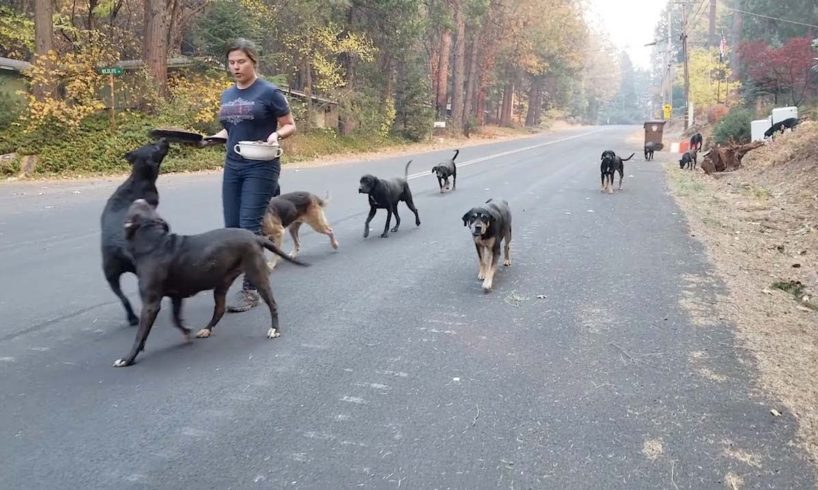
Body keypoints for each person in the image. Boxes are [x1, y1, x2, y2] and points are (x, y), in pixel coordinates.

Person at [206, 38, 296, 312]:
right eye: (231, 62)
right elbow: (229, 131)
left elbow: (290, 124)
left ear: (253, 61)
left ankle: (251, 288)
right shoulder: (227, 95)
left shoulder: (269, 92)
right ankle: (244, 270)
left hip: (262, 165)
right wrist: (210, 138)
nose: (235, 67)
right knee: (232, 227)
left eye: (241, 61)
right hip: (234, 165)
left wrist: (276, 134)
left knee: (248, 226)